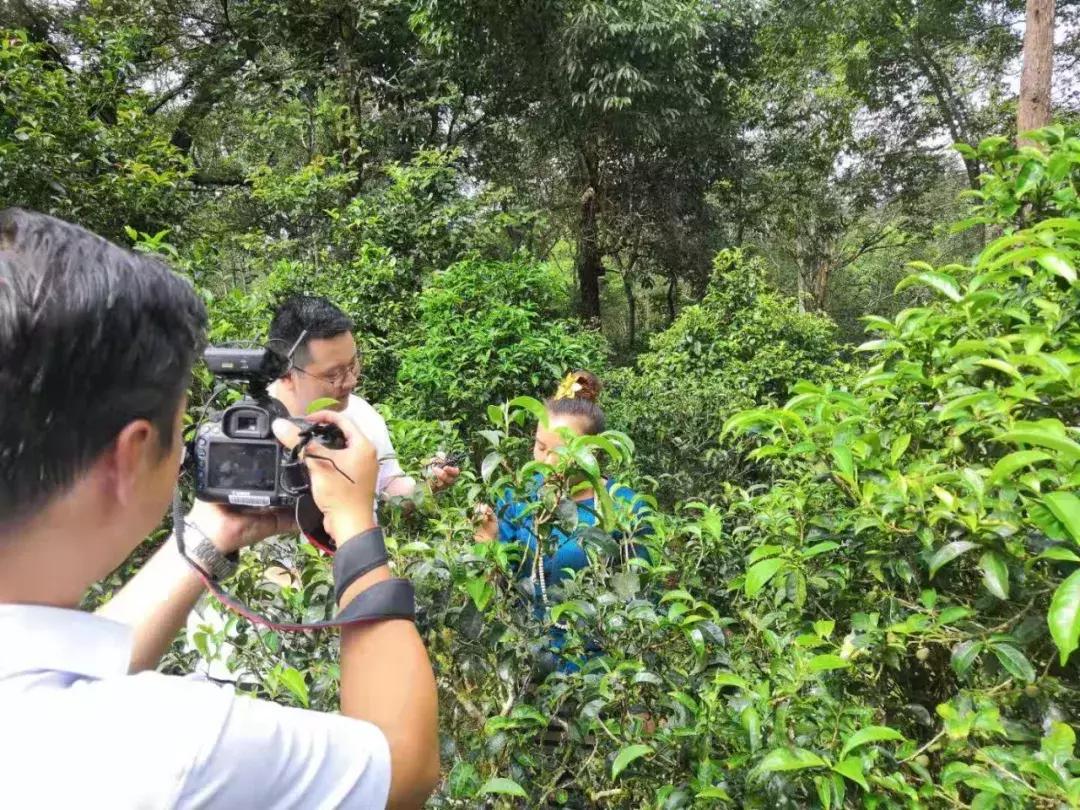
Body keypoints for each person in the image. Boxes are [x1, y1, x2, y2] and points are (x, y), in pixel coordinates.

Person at [0, 209, 439, 809]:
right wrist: (355, 526)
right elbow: (405, 766)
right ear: (129, 457)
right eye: (181, 427)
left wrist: (217, 526)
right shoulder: (175, 746)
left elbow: (79, 664)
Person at [474, 371, 652, 672]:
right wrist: (488, 540)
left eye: (556, 451)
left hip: (599, 670)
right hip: (527, 659)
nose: (543, 460)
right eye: (539, 446)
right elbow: (497, 591)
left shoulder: (624, 505)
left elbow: (642, 597)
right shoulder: (518, 499)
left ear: (591, 452)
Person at [266, 294, 460, 512]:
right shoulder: (246, 428)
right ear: (286, 373)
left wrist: (429, 485)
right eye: (333, 375)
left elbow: (386, 489)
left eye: (353, 364)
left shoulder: (361, 416)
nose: (351, 380)